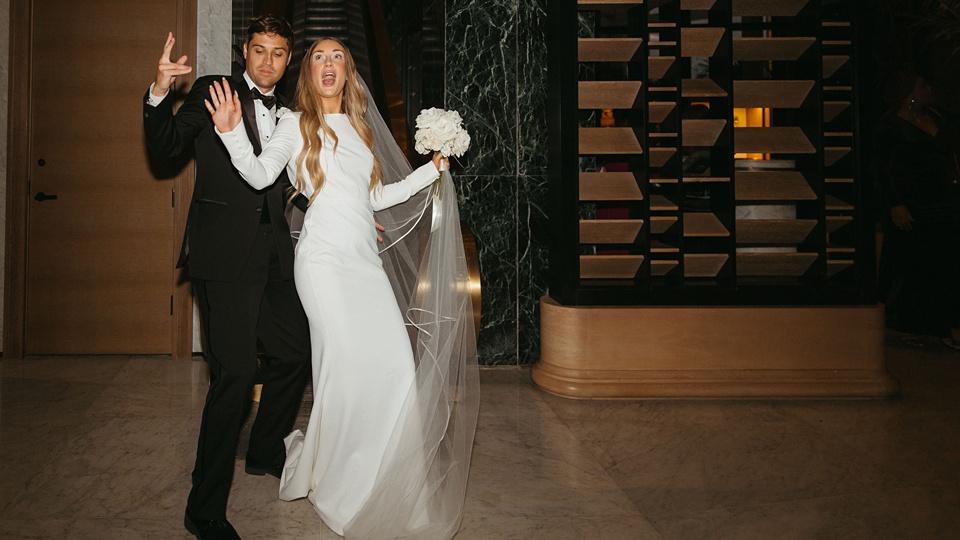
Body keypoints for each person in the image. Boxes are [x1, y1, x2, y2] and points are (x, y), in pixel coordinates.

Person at [204, 37, 479, 539]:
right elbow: (262, 173)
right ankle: (340, 483)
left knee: (395, 366)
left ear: (348, 72)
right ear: (307, 72)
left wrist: (430, 171)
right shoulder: (293, 123)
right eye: (318, 57)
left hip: (364, 265)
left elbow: (375, 196)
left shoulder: (359, 127)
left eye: (337, 57)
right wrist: (231, 135)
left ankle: (388, 480)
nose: (328, 64)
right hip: (324, 266)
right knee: (343, 370)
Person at [142, 15, 311, 540]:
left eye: (278, 53)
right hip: (223, 257)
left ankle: (263, 449)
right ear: (245, 52)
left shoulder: (288, 112)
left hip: (274, 257)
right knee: (235, 376)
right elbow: (167, 145)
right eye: (259, 50)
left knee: (297, 351)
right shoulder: (215, 92)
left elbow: (301, 176)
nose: (267, 61)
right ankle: (204, 508)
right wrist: (159, 93)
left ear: (288, 61)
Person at [876, 71, 960, 350]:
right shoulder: (890, 127)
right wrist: (895, 203)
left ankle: (943, 325)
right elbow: (883, 169)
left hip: (945, 200)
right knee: (913, 263)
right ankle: (909, 324)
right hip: (914, 202)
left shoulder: (939, 117)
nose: (929, 89)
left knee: (946, 262)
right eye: (923, 85)